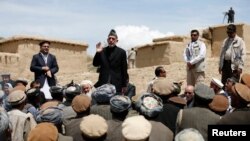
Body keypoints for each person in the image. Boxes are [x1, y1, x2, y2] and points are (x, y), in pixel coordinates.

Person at [93, 29, 128, 93]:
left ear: (116, 41)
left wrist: (124, 85)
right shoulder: (102, 51)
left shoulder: (122, 52)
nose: (111, 40)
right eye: (109, 38)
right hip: (103, 82)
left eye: (113, 39)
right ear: (107, 40)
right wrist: (97, 52)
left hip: (117, 83)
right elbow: (95, 64)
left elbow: (124, 70)